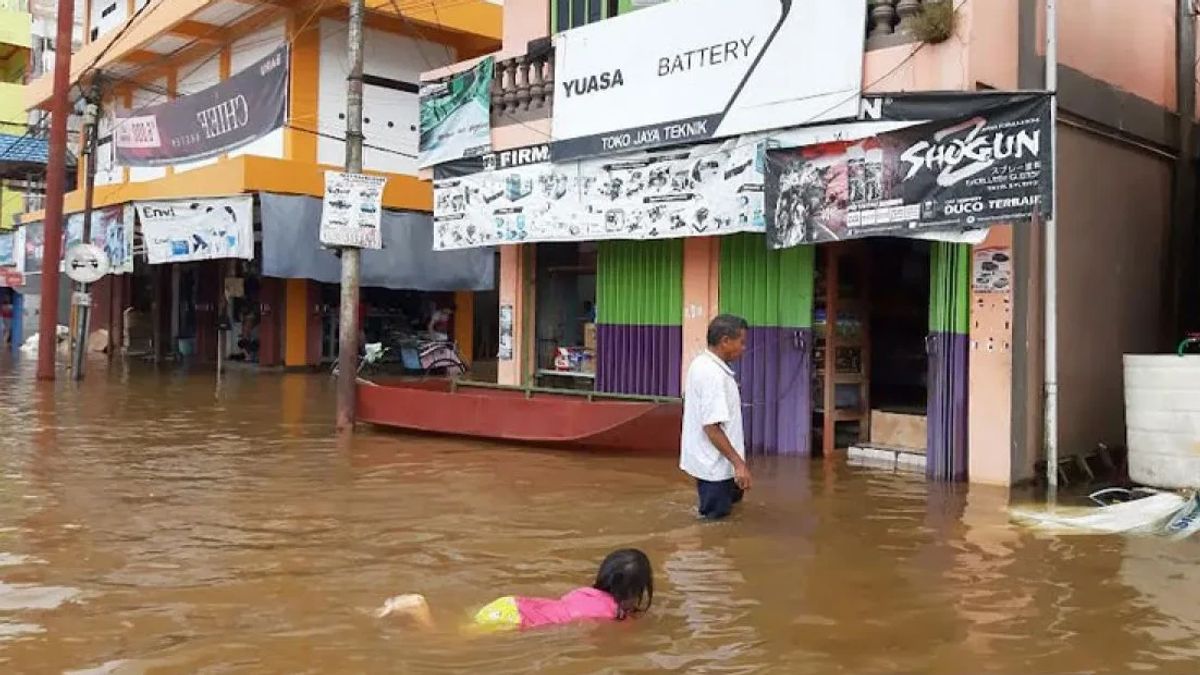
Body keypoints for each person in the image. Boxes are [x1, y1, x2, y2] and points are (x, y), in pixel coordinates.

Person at [379, 548, 653, 631]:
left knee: (462, 628)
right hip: (514, 620)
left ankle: (410, 608)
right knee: (443, 641)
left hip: (512, 604)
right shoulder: (614, 615)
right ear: (635, 591)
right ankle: (416, 606)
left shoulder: (584, 593)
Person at [681, 314, 751, 520]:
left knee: (728, 519)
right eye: (742, 342)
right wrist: (739, 464)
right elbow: (711, 427)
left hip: (718, 464)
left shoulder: (702, 364)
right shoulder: (713, 375)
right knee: (715, 525)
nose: (744, 348)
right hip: (715, 467)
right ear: (725, 341)